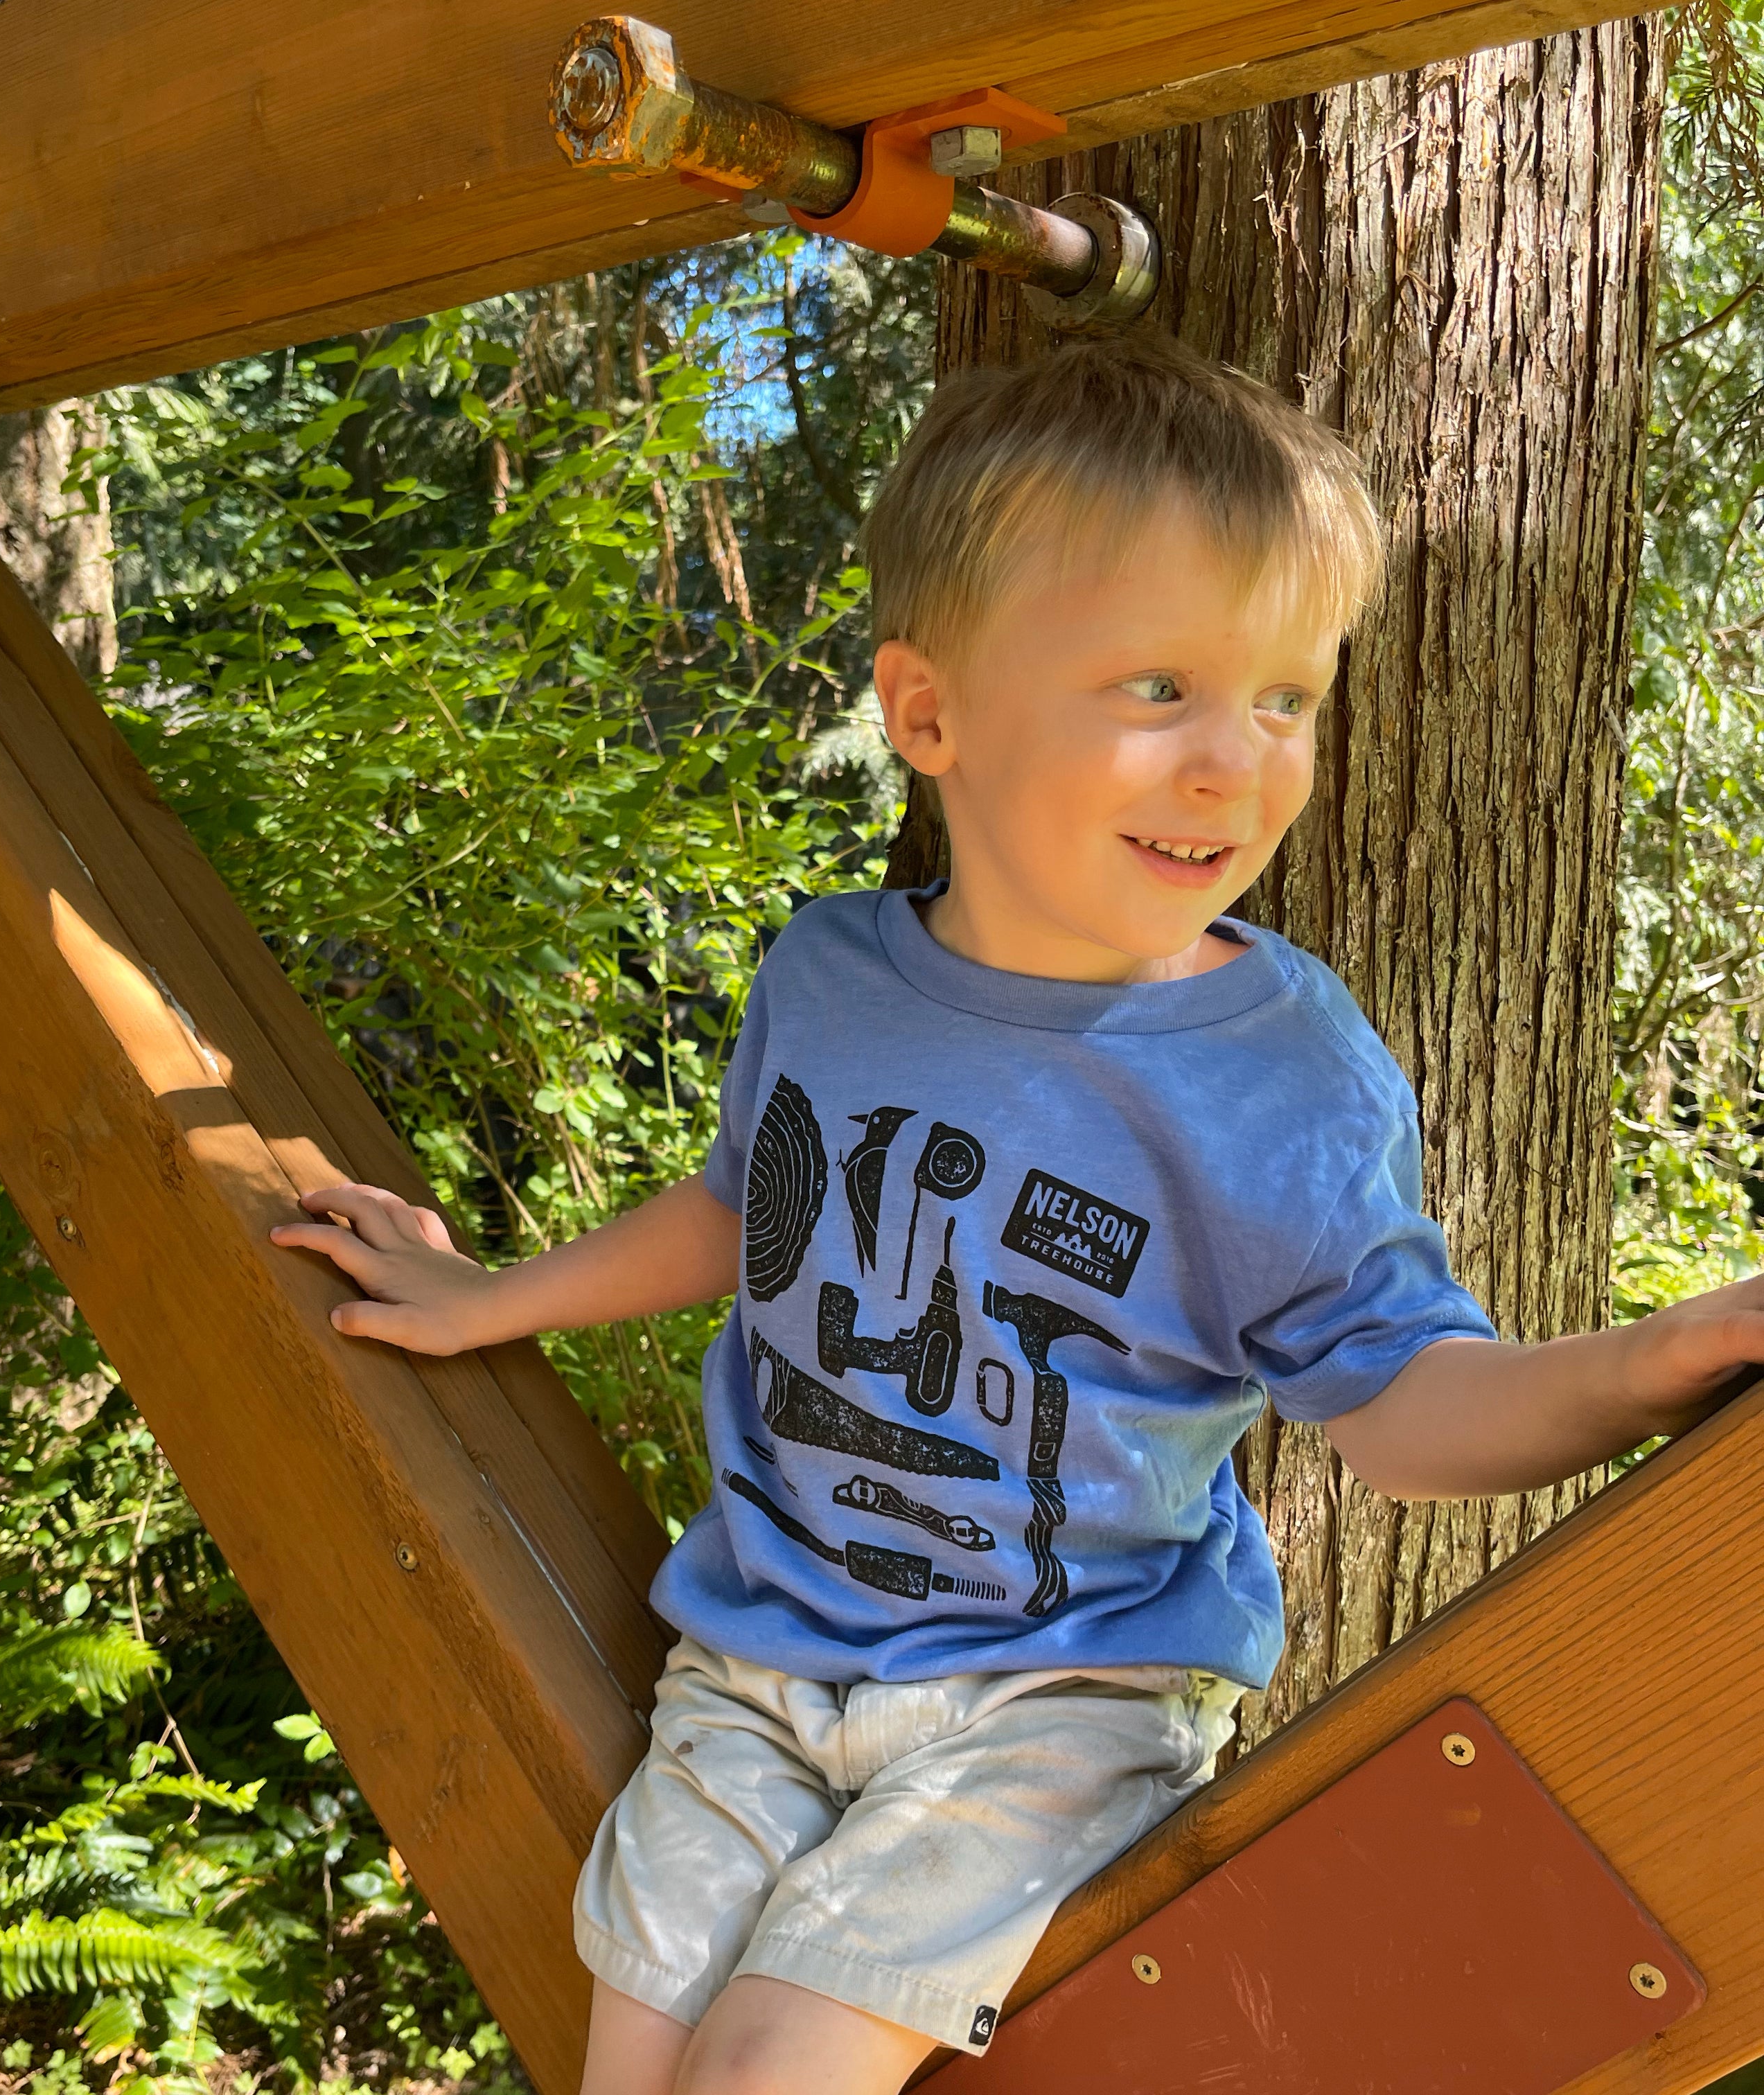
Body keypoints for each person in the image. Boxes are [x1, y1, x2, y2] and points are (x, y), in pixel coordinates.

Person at [271, 331, 1761, 2095]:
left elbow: (1408, 1406)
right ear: (927, 715)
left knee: (765, 2071)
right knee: (629, 2067)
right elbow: (750, 1209)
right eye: (1160, 690)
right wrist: (494, 1296)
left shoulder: (1276, 1073)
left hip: (1060, 1699)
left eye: (1286, 696)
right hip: (753, 1657)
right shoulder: (830, 974)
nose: (1238, 761)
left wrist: (1669, 1352)